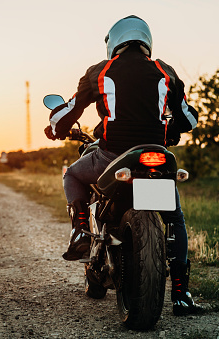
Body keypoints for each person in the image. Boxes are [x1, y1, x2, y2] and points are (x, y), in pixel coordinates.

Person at [44, 15, 201, 316]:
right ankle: (181, 294)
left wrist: (55, 129)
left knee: (72, 174)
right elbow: (188, 118)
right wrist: (173, 130)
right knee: (176, 218)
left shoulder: (99, 71)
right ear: (146, 41)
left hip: (112, 155)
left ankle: (79, 231)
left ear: (113, 42)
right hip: (157, 156)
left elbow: (69, 110)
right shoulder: (164, 71)